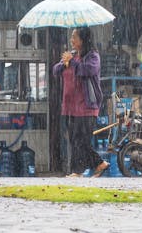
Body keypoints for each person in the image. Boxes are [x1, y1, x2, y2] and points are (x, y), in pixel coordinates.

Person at [53, 27, 110, 177]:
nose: (71, 40)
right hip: (70, 107)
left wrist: (72, 63)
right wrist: (63, 64)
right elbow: (55, 70)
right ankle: (99, 163)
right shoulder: (71, 56)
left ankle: (77, 172)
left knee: (81, 141)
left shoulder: (92, 56)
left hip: (86, 106)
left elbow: (88, 71)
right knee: (75, 140)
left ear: (83, 40)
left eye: (74, 37)